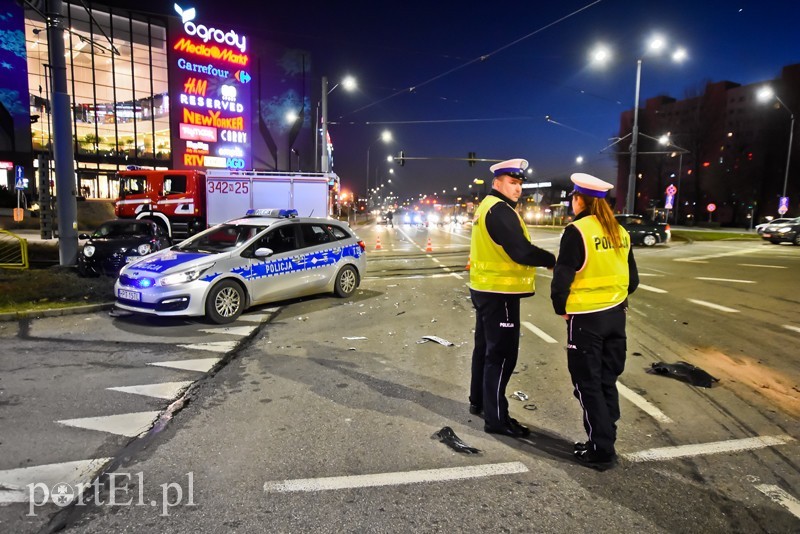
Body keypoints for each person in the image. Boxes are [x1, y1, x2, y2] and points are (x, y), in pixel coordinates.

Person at [550, 173, 639, 470]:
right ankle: (607, 435)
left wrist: (561, 306)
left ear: (579, 199)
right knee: (605, 381)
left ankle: (600, 448)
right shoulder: (620, 232)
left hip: (586, 321)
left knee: (587, 385)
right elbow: (633, 281)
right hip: (616, 318)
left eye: (572, 199)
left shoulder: (577, 231)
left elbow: (563, 274)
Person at [469, 158, 556, 437]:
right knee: (502, 356)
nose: (518, 189)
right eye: (512, 183)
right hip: (500, 294)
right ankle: (497, 419)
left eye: (520, 184)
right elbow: (521, 251)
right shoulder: (501, 211)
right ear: (497, 183)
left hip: (484, 290)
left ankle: (479, 402)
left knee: (484, 349)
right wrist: (550, 259)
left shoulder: (486, 207)